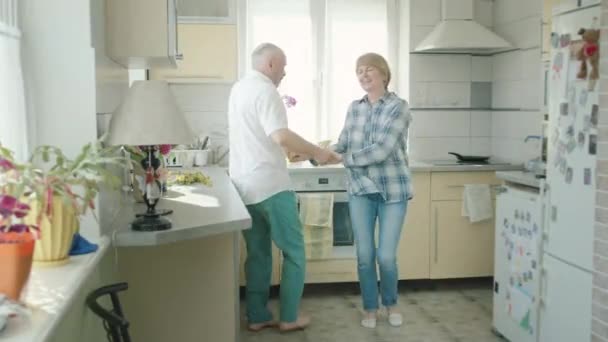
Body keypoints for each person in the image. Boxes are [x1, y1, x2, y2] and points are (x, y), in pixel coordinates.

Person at [228, 42, 341, 333]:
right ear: (270, 65)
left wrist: (290, 151)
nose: (284, 72)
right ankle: (289, 317)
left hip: (244, 187)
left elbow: (261, 137)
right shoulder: (266, 90)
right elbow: (279, 135)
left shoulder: (239, 89)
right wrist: (317, 152)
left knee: (259, 254)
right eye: (283, 66)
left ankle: (257, 315)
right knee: (294, 252)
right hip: (271, 187)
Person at [333, 52, 412, 328]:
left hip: (392, 190)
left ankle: (390, 303)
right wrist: (317, 153)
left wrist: (345, 159)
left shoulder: (399, 107)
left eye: (369, 70)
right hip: (360, 189)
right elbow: (342, 143)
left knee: (386, 256)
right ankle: (370, 306)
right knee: (365, 256)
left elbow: (383, 149)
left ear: (383, 74)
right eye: (359, 71)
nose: (363, 75)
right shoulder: (354, 108)